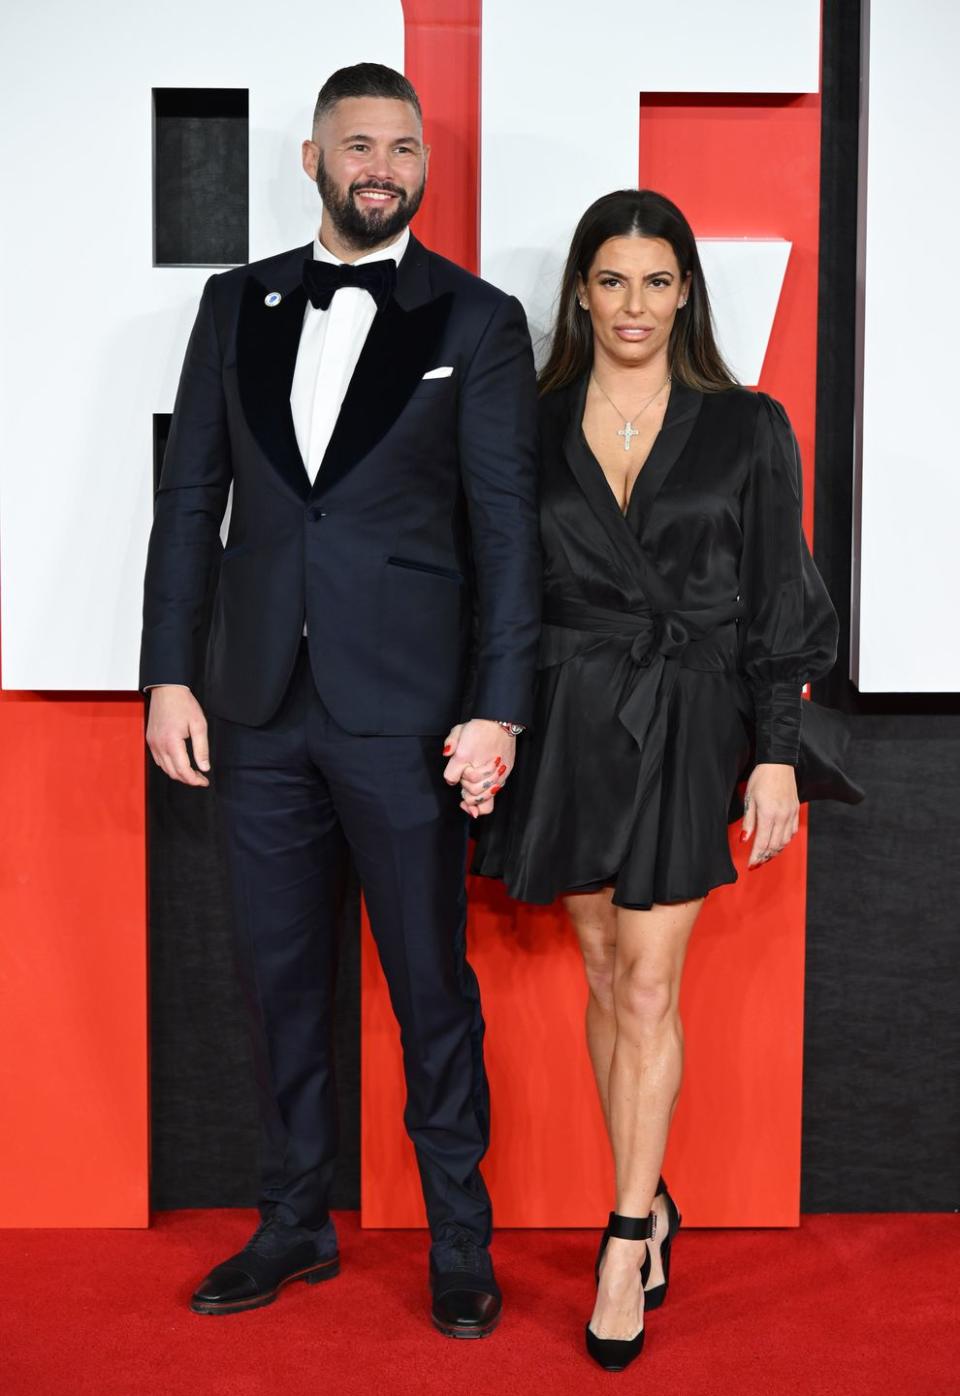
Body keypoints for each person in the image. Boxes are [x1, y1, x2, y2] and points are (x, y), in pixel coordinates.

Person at [140, 62, 539, 1338]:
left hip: (411, 714)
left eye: (404, 148)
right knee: (277, 978)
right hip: (254, 705)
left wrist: (500, 704)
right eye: (358, 143)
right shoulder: (232, 301)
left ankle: (459, 1241)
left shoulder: (474, 321)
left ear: (425, 167)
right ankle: (296, 1221)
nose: (383, 164)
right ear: (312, 158)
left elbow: (507, 534)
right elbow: (190, 500)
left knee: (431, 986)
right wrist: (169, 671)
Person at [469, 188, 861, 1370]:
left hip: (692, 717)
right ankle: (655, 1195)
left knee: (647, 985)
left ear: (685, 289)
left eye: (655, 280)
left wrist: (777, 758)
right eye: (610, 280)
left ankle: (627, 1233)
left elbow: (782, 603)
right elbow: (489, 583)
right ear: (580, 292)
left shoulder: (748, 425)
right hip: (567, 711)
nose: (633, 305)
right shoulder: (523, 425)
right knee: (602, 967)